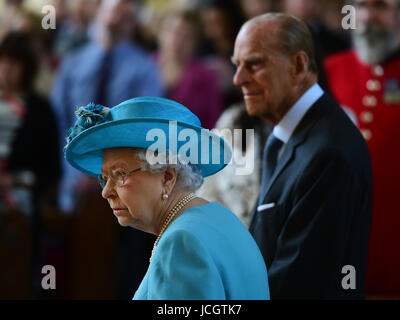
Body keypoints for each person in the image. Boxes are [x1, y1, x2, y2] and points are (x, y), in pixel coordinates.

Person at [63, 96, 270, 300]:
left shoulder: (180, 243)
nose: (106, 191)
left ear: (167, 177)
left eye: (120, 174)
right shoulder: (223, 219)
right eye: (104, 177)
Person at [232, 13, 372, 299]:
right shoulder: (291, 136)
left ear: (298, 66)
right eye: (237, 66)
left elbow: (297, 283)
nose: (239, 79)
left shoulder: (328, 151)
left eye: (254, 64)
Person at [324, 0, 400, 298]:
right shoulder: (329, 70)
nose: (368, 17)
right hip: (341, 236)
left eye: (381, 7)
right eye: (360, 6)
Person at [154, 10, 223, 129]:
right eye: (171, 31)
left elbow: (214, 121)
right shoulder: (143, 67)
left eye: (185, 35)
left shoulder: (206, 76)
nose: (176, 40)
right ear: (160, 34)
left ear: (195, 41)